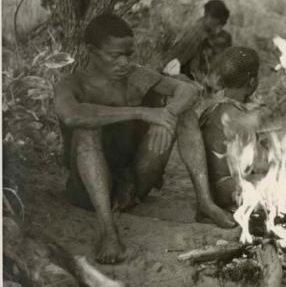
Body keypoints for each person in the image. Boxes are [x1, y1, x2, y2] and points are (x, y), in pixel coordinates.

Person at [55, 13, 236, 264]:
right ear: (91, 51)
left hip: (134, 183)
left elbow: (188, 90)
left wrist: (168, 114)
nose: (124, 62)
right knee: (88, 127)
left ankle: (205, 203)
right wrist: (143, 112)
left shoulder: (136, 76)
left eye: (128, 54)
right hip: (87, 192)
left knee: (184, 114)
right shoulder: (73, 83)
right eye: (114, 55)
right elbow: (73, 116)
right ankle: (108, 230)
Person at [199, 46, 274, 211]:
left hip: (213, 188)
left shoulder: (213, 107)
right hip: (230, 189)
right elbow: (260, 163)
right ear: (252, 82)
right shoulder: (239, 116)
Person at [161, 0, 232, 81]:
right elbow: (173, 63)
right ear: (207, 15)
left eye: (221, 24)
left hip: (212, 80)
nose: (218, 29)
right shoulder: (194, 35)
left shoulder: (225, 37)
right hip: (190, 80)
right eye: (215, 24)